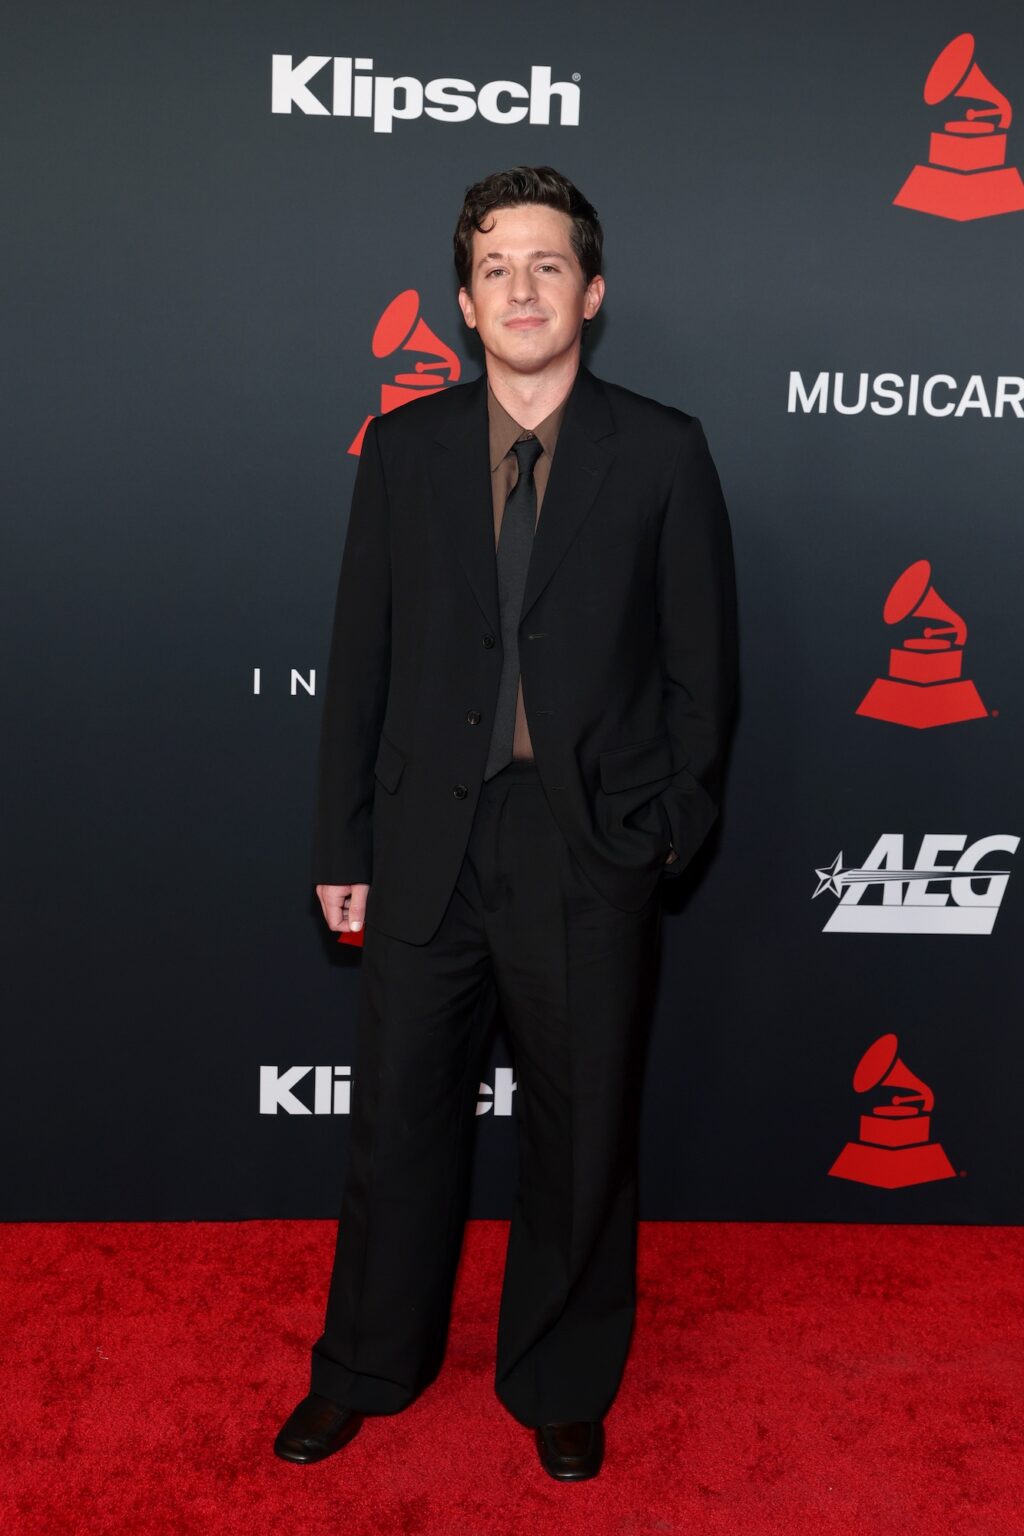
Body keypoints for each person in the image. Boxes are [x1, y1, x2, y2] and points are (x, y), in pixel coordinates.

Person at [274, 165, 738, 1481]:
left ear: (591, 291)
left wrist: (663, 829)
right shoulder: (404, 450)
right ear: (466, 305)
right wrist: (342, 844)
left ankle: (563, 1375)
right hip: (428, 840)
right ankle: (367, 1364)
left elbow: (705, 671)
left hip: (586, 846)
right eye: (495, 269)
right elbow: (359, 658)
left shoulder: (663, 452)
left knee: (581, 1135)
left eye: (547, 265)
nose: (521, 289)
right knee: (397, 1124)